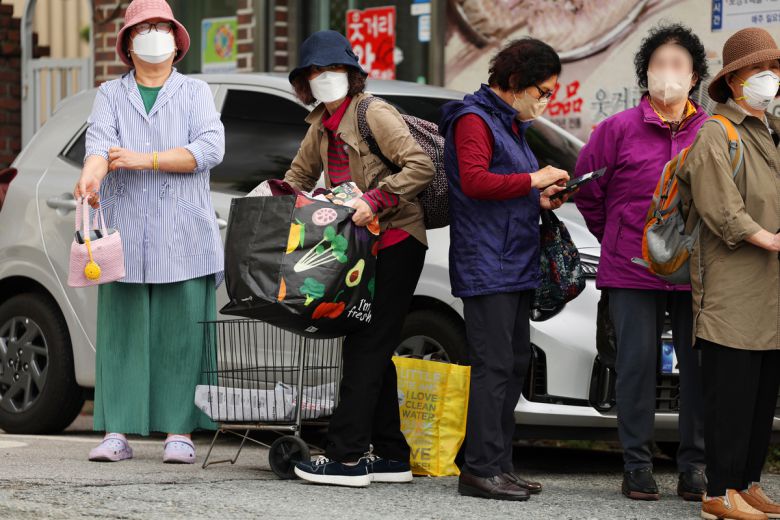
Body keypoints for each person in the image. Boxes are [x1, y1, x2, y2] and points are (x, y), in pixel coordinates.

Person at [74, 0, 225, 464]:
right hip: (125, 234)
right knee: (122, 332)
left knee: (181, 336)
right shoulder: (110, 93)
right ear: (129, 43)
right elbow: (99, 144)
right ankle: (117, 431)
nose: (154, 35)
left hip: (185, 234)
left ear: (176, 42)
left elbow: (211, 148)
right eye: (144, 28)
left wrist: (146, 158)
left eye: (161, 27)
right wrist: (91, 175)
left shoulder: (196, 91)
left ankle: (179, 432)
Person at [283, 30, 435, 488]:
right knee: (373, 347)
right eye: (316, 71)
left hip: (396, 241)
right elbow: (297, 177)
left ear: (352, 74)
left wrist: (376, 198)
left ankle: (345, 458)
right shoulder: (321, 124)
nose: (327, 78)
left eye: (335, 69)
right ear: (306, 82)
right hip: (360, 248)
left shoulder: (373, 112)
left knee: (364, 347)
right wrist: (277, 197)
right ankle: (392, 456)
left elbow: (421, 165)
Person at [575, 23, 710, 502]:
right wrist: (613, 237)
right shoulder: (616, 130)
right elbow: (588, 191)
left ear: (694, 77)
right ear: (644, 74)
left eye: (677, 65)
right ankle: (637, 464)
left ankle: (694, 466)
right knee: (635, 366)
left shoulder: (711, 131)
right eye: (658, 65)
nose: (667, 74)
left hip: (694, 273)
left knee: (698, 369)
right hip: (631, 270)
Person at [439, 38, 570, 501]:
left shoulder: (508, 121)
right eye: (544, 90)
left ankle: (499, 464)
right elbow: (474, 180)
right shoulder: (473, 119)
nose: (546, 99)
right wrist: (533, 179)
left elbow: (503, 185)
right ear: (516, 83)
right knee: (493, 367)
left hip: (512, 260)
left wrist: (538, 196)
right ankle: (478, 470)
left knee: (514, 365)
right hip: (486, 261)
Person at [677, 27, 780, 520]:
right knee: (732, 400)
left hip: (770, 293)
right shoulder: (719, 131)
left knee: (761, 401)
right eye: (760, 70)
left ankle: (746, 484)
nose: (771, 78)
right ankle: (718, 492)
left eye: (777, 69)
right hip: (733, 293)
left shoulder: (771, 132)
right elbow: (721, 207)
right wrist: (769, 238)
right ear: (734, 80)